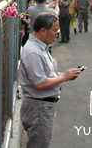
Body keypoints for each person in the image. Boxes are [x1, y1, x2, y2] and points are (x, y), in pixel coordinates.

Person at [19, 13, 82, 147]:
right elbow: (40, 83)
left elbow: (45, 74)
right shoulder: (33, 52)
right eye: (55, 31)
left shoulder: (40, 47)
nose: (57, 34)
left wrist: (64, 75)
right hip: (38, 108)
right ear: (43, 31)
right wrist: (64, 77)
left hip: (42, 106)